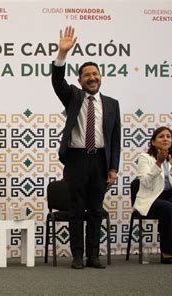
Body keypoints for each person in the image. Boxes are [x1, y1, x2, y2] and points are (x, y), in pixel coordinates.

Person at [51, 26, 121, 269]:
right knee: (76, 211)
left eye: (96, 74)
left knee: (95, 211)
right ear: (80, 80)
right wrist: (62, 54)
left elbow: (115, 139)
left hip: (101, 161)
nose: (92, 78)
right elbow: (57, 81)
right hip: (76, 160)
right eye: (87, 75)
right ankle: (78, 256)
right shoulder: (73, 96)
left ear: (100, 77)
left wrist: (113, 168)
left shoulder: (112, 104)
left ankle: (94, 255)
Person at [134, 126, 172, 264]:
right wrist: (158, 163)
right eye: (161, 136)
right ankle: (166, 251)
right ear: (153, 142)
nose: (166, 139)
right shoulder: (145, 157)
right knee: (168, 207)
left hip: (170, 195)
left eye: (168, 136)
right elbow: (146, 183)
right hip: (151, 198)